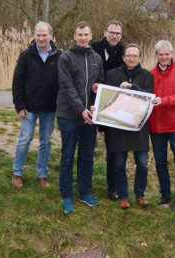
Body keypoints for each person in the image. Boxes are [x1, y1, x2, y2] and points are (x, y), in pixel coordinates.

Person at [56, 22, 105, 214]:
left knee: (87, 155)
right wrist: (81, 110)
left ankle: (85, 192)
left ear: (91, 35)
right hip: (69, 114)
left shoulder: (96, 58)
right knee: (67, 156)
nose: (83, 38)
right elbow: (67, 87)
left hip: (90, 116)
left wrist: (96, 91)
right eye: (79, 34)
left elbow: (99, 83)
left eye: (86, 34)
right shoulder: (65, 58)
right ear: (74, 36)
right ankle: (66, 195)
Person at [11, 21, 61, 189]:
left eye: (44, 35)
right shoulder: (26, 55)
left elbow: (63, 83)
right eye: (38, 35)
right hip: (29, 107)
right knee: (25, 140)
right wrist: (19, 105)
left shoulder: (59, 56)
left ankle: (42, 174)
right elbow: (17, 81)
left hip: (49, 108)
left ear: (50, 36)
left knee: (46, 141)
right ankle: (17, 173)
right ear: (34, 36)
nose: (41, 38)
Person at [103, 43, 153, 209]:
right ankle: (123, 196)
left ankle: (140, 194)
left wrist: (132, 87)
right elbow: (106, 98)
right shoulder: (111, 74)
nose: (132, 58)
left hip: (139, 126)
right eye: (128, 55)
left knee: (143, 163)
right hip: (118, 127)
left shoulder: (147, 75)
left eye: (135, 56)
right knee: (118, 164)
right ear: (123, 57)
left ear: (140, 58)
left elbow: (149, 97)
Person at [149, 40, 175, 211]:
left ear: (172, 54)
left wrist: (163, 101)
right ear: (156, 55)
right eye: (161, 54)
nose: (164, 57)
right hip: (156, 125)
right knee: (160, 162)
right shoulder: (150, 74)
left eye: (167, 54)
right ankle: (165, 193)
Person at [92, 20, 126, 201]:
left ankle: (112, 186)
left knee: (113, 149)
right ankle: (84, 182)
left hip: (114, 106)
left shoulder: (124, 52)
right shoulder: (93, 48)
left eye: (118, 34)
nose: (115, 36)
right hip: (91, 104)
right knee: (86, 146)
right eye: (112, 32)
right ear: (105, 33)